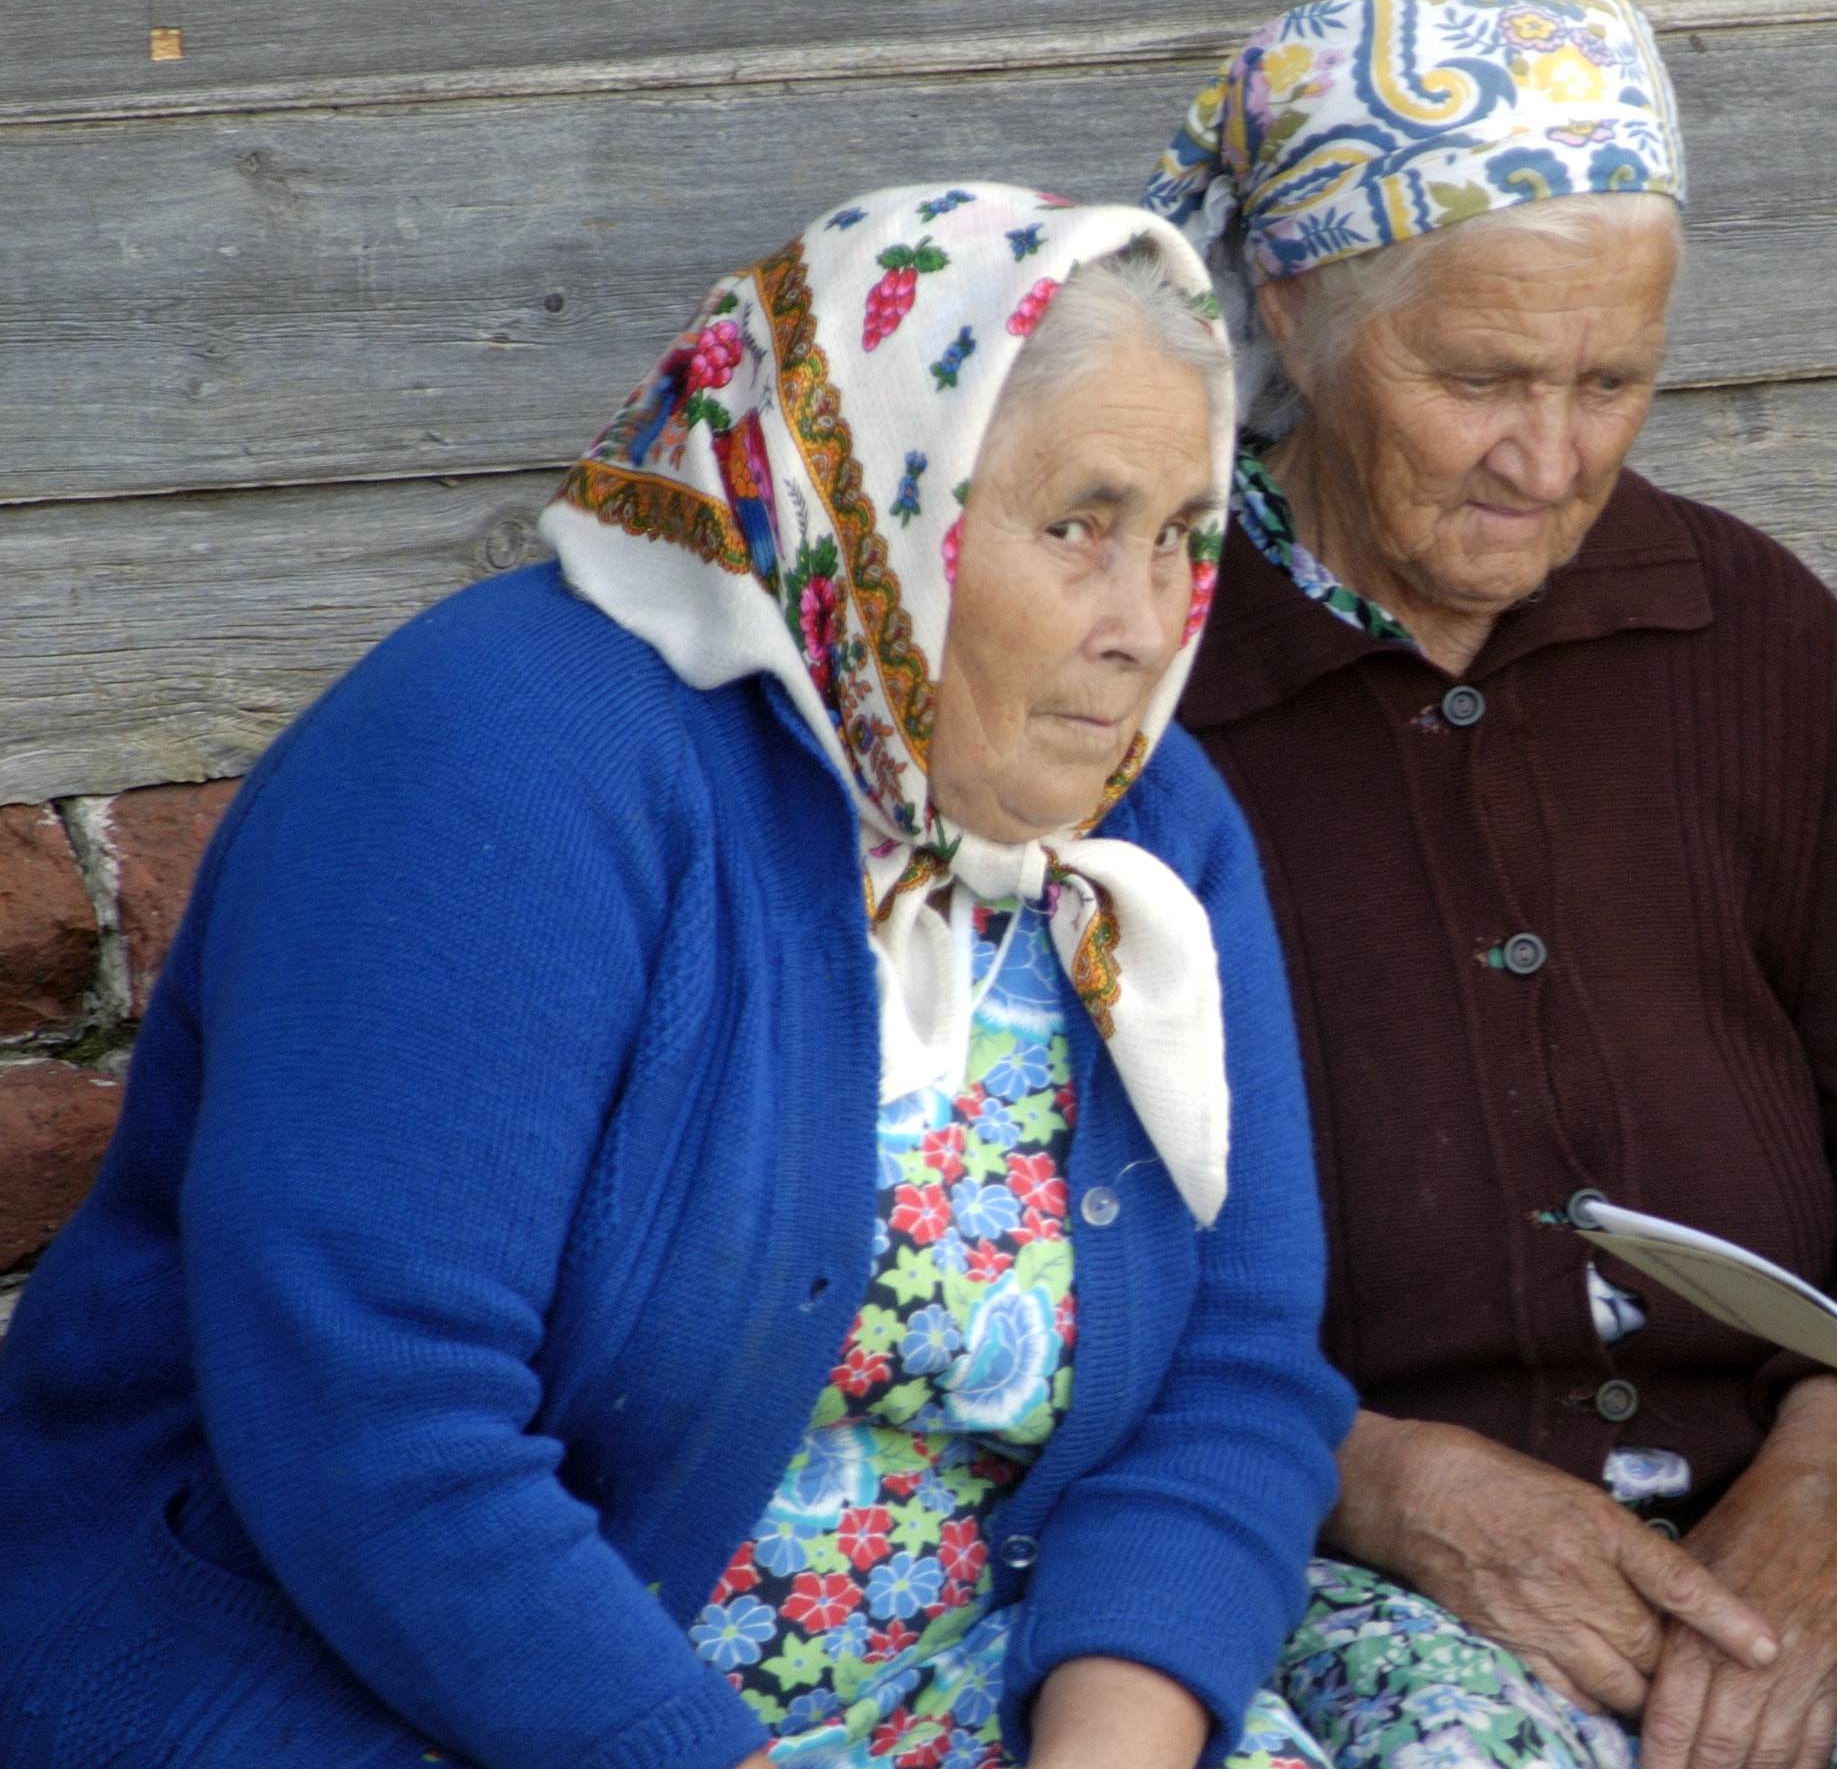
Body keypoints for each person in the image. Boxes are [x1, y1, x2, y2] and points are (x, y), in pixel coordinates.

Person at [0, 186, 1354, 1769]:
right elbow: (377, 1420)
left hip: (959, 1688)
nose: (1142, 625)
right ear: (875, 500)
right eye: (1077, 526)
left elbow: (1238, 1372)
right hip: (407, 1692)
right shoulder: (504, 758)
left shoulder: (1150, 826)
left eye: (1183, 536)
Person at [1141, 0, 1837, 1769]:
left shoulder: (1747, 633)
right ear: (1291, 315)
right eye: (1474, 377)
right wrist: (1372, 1482)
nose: (1546, 461)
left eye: (1608, 381)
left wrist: (1832, 1477)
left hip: (1808, 1518)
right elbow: (1025, 1231)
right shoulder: (1139, 682)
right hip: (1351, 1558)